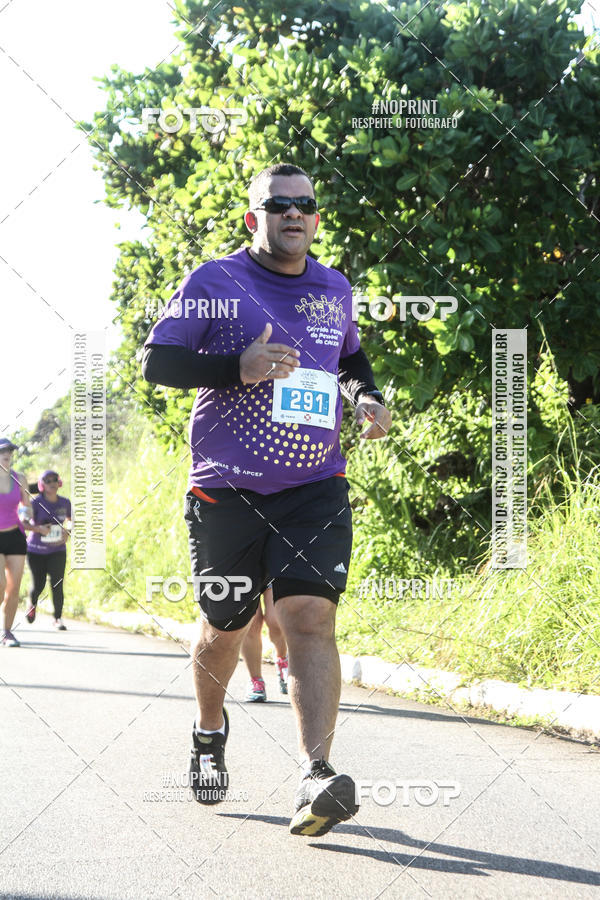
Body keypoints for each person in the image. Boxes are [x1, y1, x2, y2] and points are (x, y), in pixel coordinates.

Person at [142, 162, 391, 837]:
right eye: (277, 204)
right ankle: (208, 730)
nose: (293, 213)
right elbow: (156, 363)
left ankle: (316, 774)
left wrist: (365, 397)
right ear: (253, 216)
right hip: (226, 487)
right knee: (224, 631)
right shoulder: (214, 282)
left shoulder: (333, 287)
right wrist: (236, 368)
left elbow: (349, 359)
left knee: (308, 615)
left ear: (315, 217)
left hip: (316, 483)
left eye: (305, 204)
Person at [25, 470, 72, 630]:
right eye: (48, 480)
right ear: (41, 485)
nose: (52, 482)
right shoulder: (34, 502)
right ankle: (32, 603)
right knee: (39, 584)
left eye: (54, 479)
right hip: (36, 551)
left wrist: (68, 532)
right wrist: (38, 529)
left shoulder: (65, 503)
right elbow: (22, 522)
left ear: (59, 483)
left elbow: (72, 520)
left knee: (57, 584)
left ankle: (58, 618)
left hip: (57, 550)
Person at [0, 437, 32, 647]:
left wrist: (26, 517)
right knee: (0, 585)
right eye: (3, 450)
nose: (7, 453)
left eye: (10, 450)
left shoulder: (19, 478)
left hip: (15, 537)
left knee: (13, 589)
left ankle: (7, 633)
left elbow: (26, 505)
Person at [241, 586, 289, 701]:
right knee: (251, 621)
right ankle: (256, 680)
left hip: (273, 570)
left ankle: (282, 659)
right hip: (245, 570)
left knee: (275, 620)